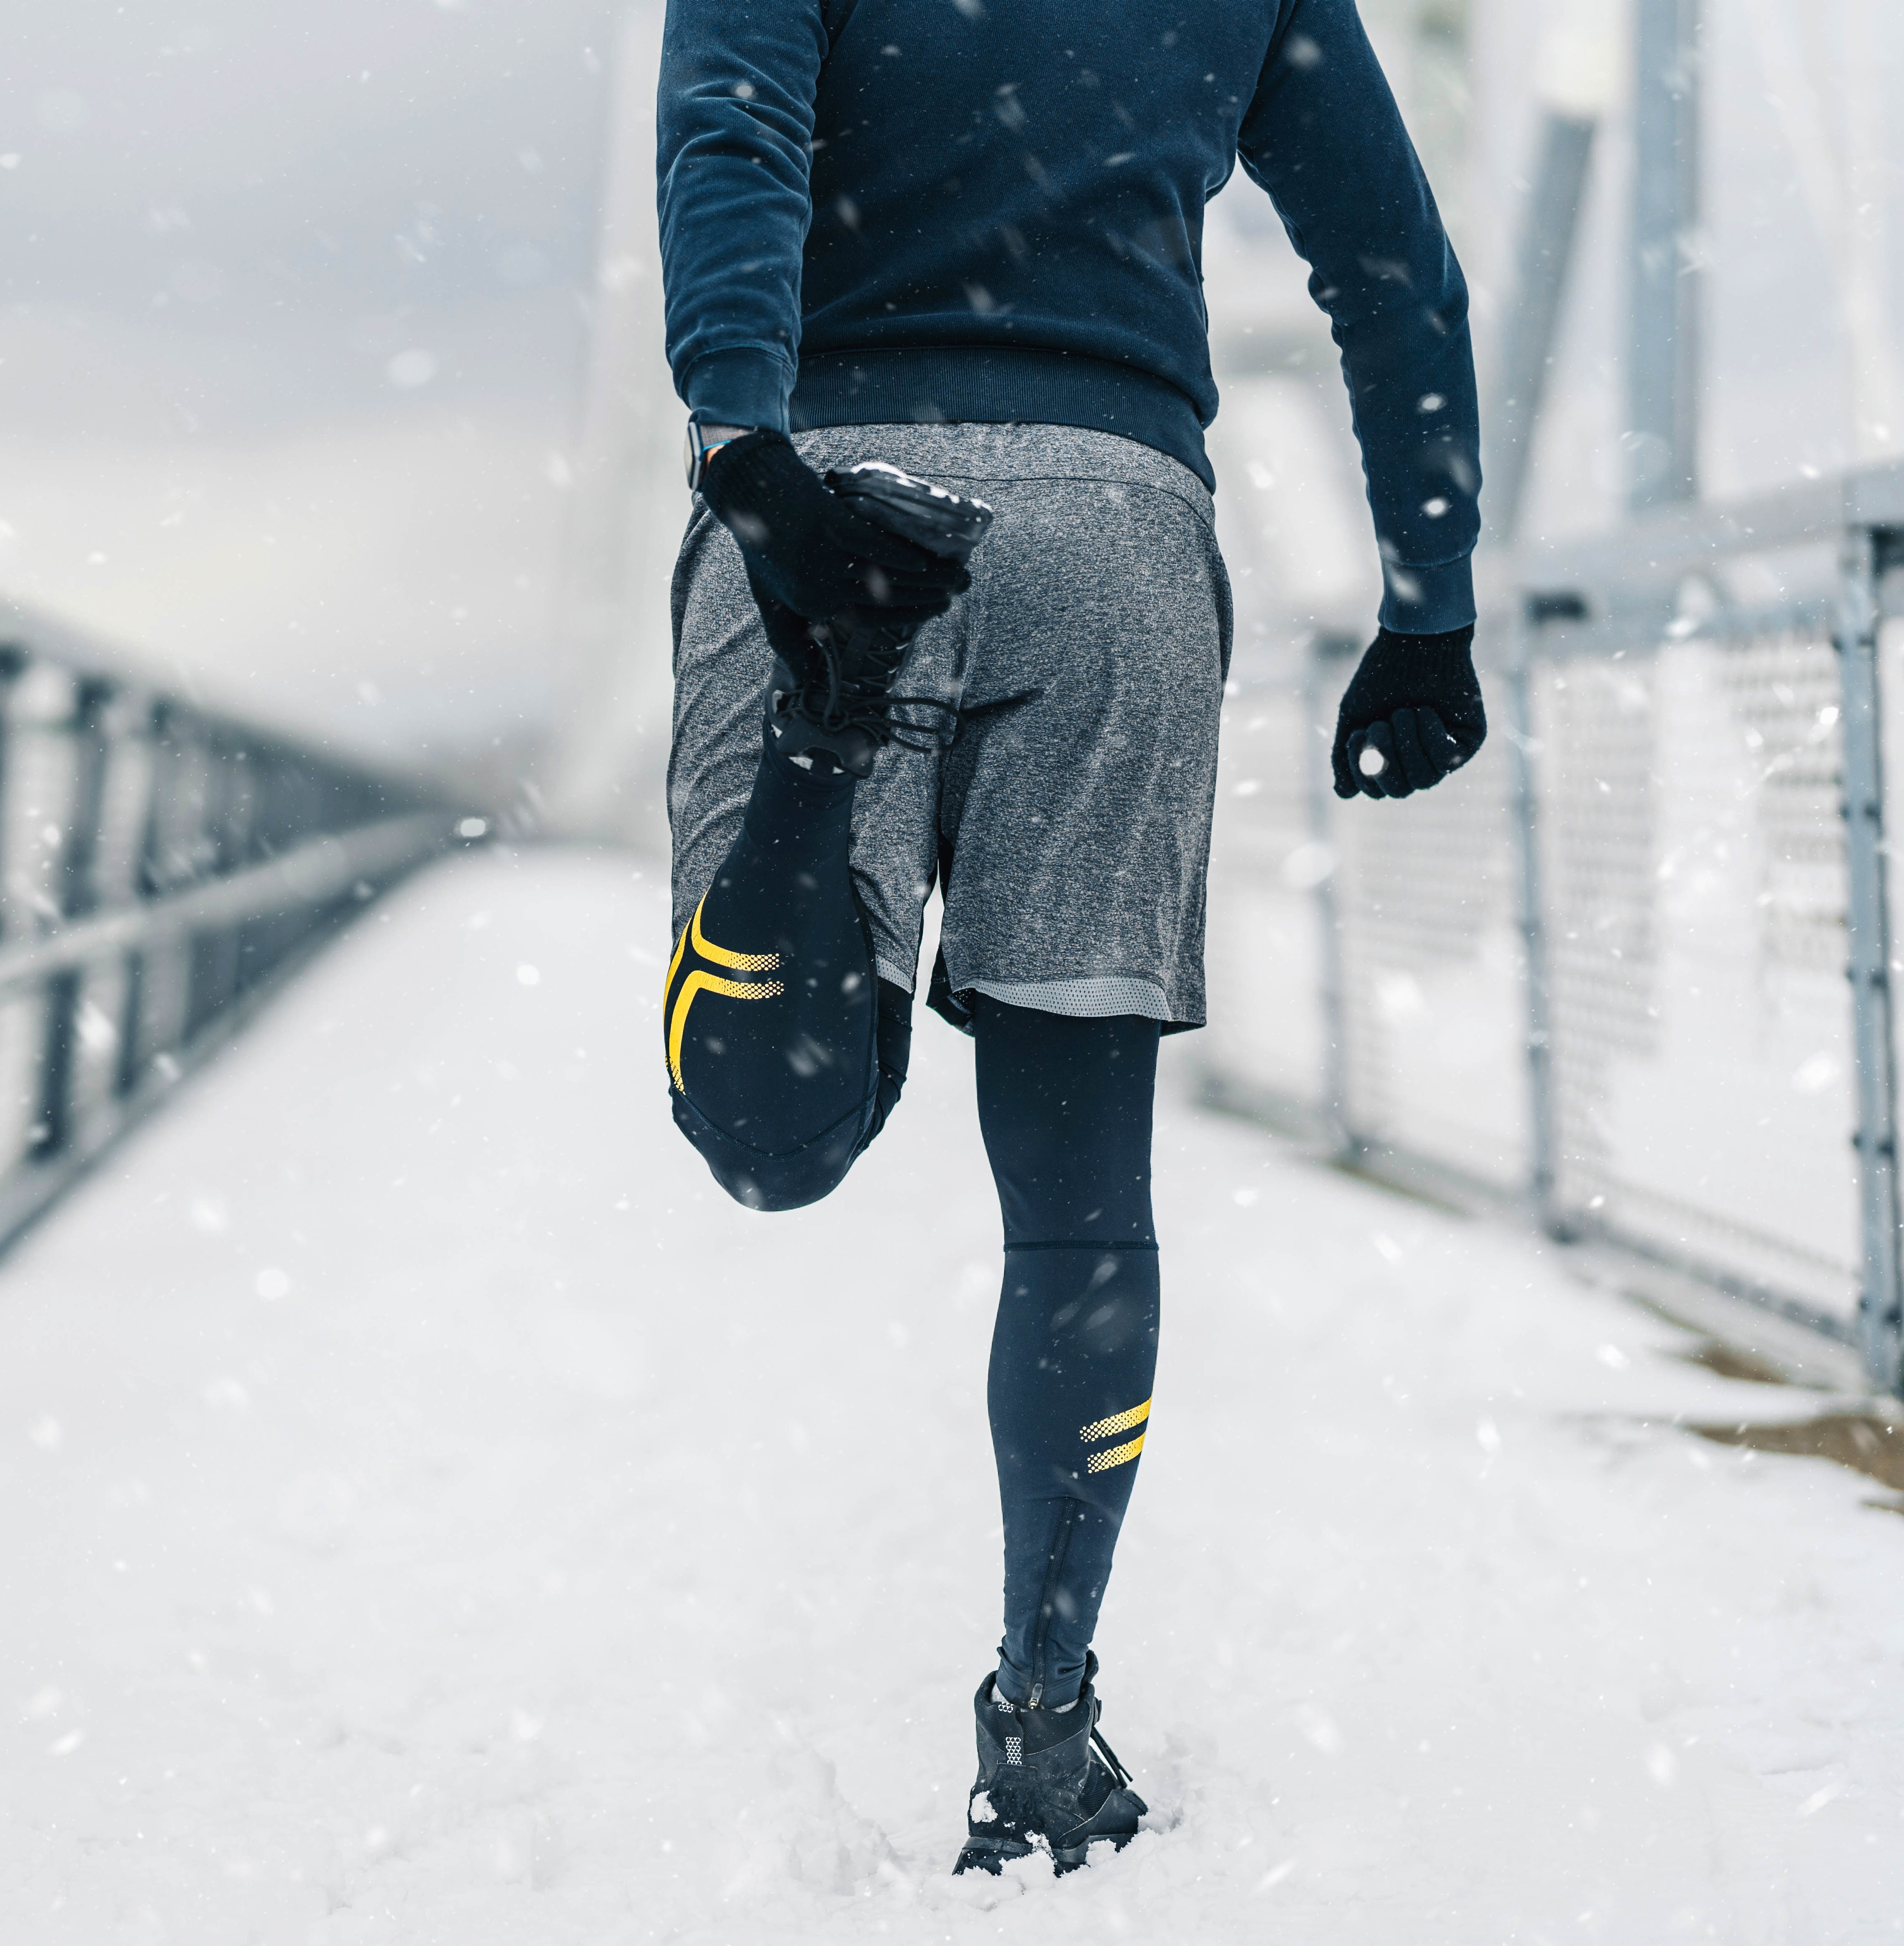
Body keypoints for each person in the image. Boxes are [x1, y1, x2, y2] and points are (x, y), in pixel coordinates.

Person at [654, 0, 1485, 1876]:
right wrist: (1429, 604)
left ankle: (821, 712)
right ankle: (1042, 1710)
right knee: (1082, 1199)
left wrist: (750, 445)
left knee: (770, 1141)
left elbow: (730, 140)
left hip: (832, 480)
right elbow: (1393, 271)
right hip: (1120, 532)